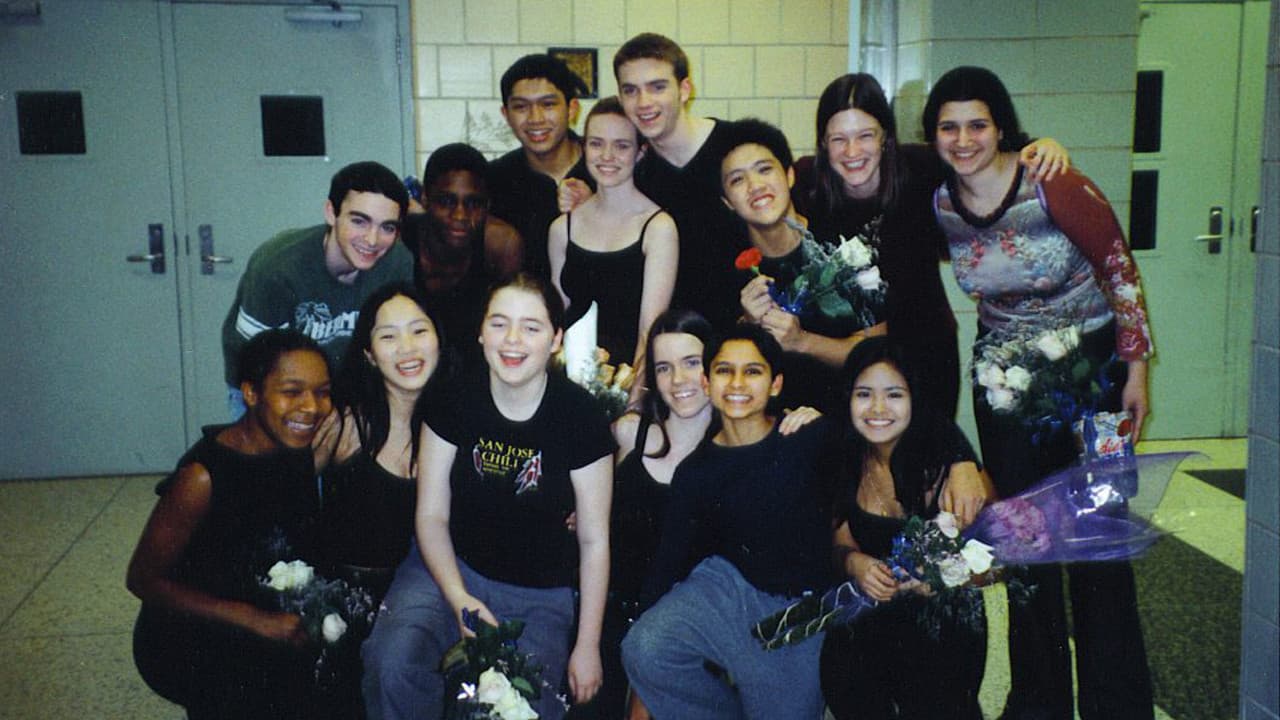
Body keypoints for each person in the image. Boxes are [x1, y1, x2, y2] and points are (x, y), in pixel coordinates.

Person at [924, 66, 1155, 720]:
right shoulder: (940, 202)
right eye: (948, 127)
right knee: (1028, 549)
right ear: (932, 136)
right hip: (1005, 386)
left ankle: (1117, 706)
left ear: (1002, 127)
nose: (963, 139)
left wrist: (1136, 369)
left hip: (1096, 376)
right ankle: (1039, 704)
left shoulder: (1052, 181)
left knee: (1101, 542)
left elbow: (1119, 270)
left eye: (977, 124)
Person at [361, 273, 615, 720]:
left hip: (538, 594)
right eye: (499, 323)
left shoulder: (581, 417)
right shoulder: (452, 400)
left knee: (517, 708)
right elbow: (432, 516)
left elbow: (594, 539)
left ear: (556, 339)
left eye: (531, 327)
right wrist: (459, 598)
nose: (512, 340)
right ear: (481, 332)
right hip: (446, 569)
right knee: (392, 664)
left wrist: (588, 644)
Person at [792, 73, 1070, 420]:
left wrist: (1041, 145)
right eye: (839, 139)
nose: (852, 152)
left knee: (927, 452)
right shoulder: (806, 185)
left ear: (885, 137)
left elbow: (989, 156)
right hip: (844, 360)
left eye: (865, 136)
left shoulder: (922, 169)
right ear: (822, 143)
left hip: (924, 352)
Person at [589, 309, 819, 720]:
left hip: (742, 616)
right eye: (664, 367)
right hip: (628, 612)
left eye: (691, 363)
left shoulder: (774, 442)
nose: (679, 379)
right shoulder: (633, 435)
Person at [127, 329, 334, 719]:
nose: (311, 406)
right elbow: (142, 579)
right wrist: (254, 619)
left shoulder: (293, 449)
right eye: (291, 392)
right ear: (251, 394)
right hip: (190, 634)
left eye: (322, 392)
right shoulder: (202, 477)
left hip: (264, 616)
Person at [819, 336, 994, 720]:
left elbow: (999, 561)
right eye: (864, 394)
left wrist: (943, 577)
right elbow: (840, 542)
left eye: (894, 395)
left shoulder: (948, 469)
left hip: (939, 625)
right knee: (842, 675)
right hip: (870, 614)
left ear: (914, 399)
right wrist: (855, 564)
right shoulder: (845, 456)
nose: (878, 408)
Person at [220, 161, 412, 419]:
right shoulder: (277, 269)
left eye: (387, 227)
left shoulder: (398, 263)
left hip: (342, 389)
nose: (372, 240)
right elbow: (258, 367)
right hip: (267, 387)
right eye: (359, 221)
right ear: (331, 213)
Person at [724, 118, 887, 416]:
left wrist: (802, 342)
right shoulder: (727, 265)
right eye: (737, 180)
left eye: (764, 170)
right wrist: (747, 323)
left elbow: (878, 353)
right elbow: (722, 371)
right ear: (728, 202)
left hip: (848, 417)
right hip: (766, 425)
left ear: (789, 175)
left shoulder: (846, 249)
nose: (755, 186)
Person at [313, 283, 445, 603]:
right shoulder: (345, 423)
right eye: (388, 336)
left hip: (422, 598)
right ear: (369, 355)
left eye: (418, 331)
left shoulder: (455, 427)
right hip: (340, 598)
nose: (407, 348)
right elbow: (285, 495)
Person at [549, 96, 678, 377]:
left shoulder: (658, 228)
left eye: (621, 146)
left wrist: (635, 397)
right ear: (584, 148)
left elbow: (650, 330)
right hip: (570, 377)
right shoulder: (562, 228)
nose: (607, 156)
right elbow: (555, 317)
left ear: (640, 152)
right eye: (596, 143)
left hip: (628, 378)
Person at [401, 143, 522, 362]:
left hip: (475, 363)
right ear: (426, 199)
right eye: (446, 201)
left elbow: (512, 319)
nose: (460, 215)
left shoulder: (500, 244)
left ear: (487, 205)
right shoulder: (401, 239)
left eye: (473, 203)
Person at [488, 54, 595, 282]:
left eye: (548, 104)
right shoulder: (494, 180)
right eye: (521, 107)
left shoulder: (607, 168)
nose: (535, 118)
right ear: (506, 114)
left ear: (572, 109)